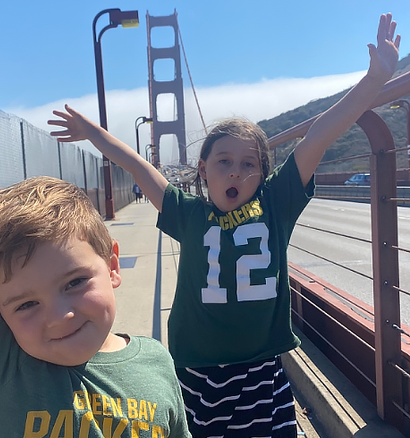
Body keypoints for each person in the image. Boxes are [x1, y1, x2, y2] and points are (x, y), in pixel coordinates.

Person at [48, 13, 400, 437]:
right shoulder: (188, 213)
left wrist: (374, 79)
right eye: (224, 162)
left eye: (249, 164)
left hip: (262, 369)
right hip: (197, 371)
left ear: (264, 172)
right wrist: (92, 131)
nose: (236, 172)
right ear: (203, 170)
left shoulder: (276, 203)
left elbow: (320, 136)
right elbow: (137, 166)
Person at [0, 1, 191, 437]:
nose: (59, 315)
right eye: (25, 304)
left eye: (75, 282)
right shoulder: (4, 365)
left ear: (113, 265)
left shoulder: (157, 363)